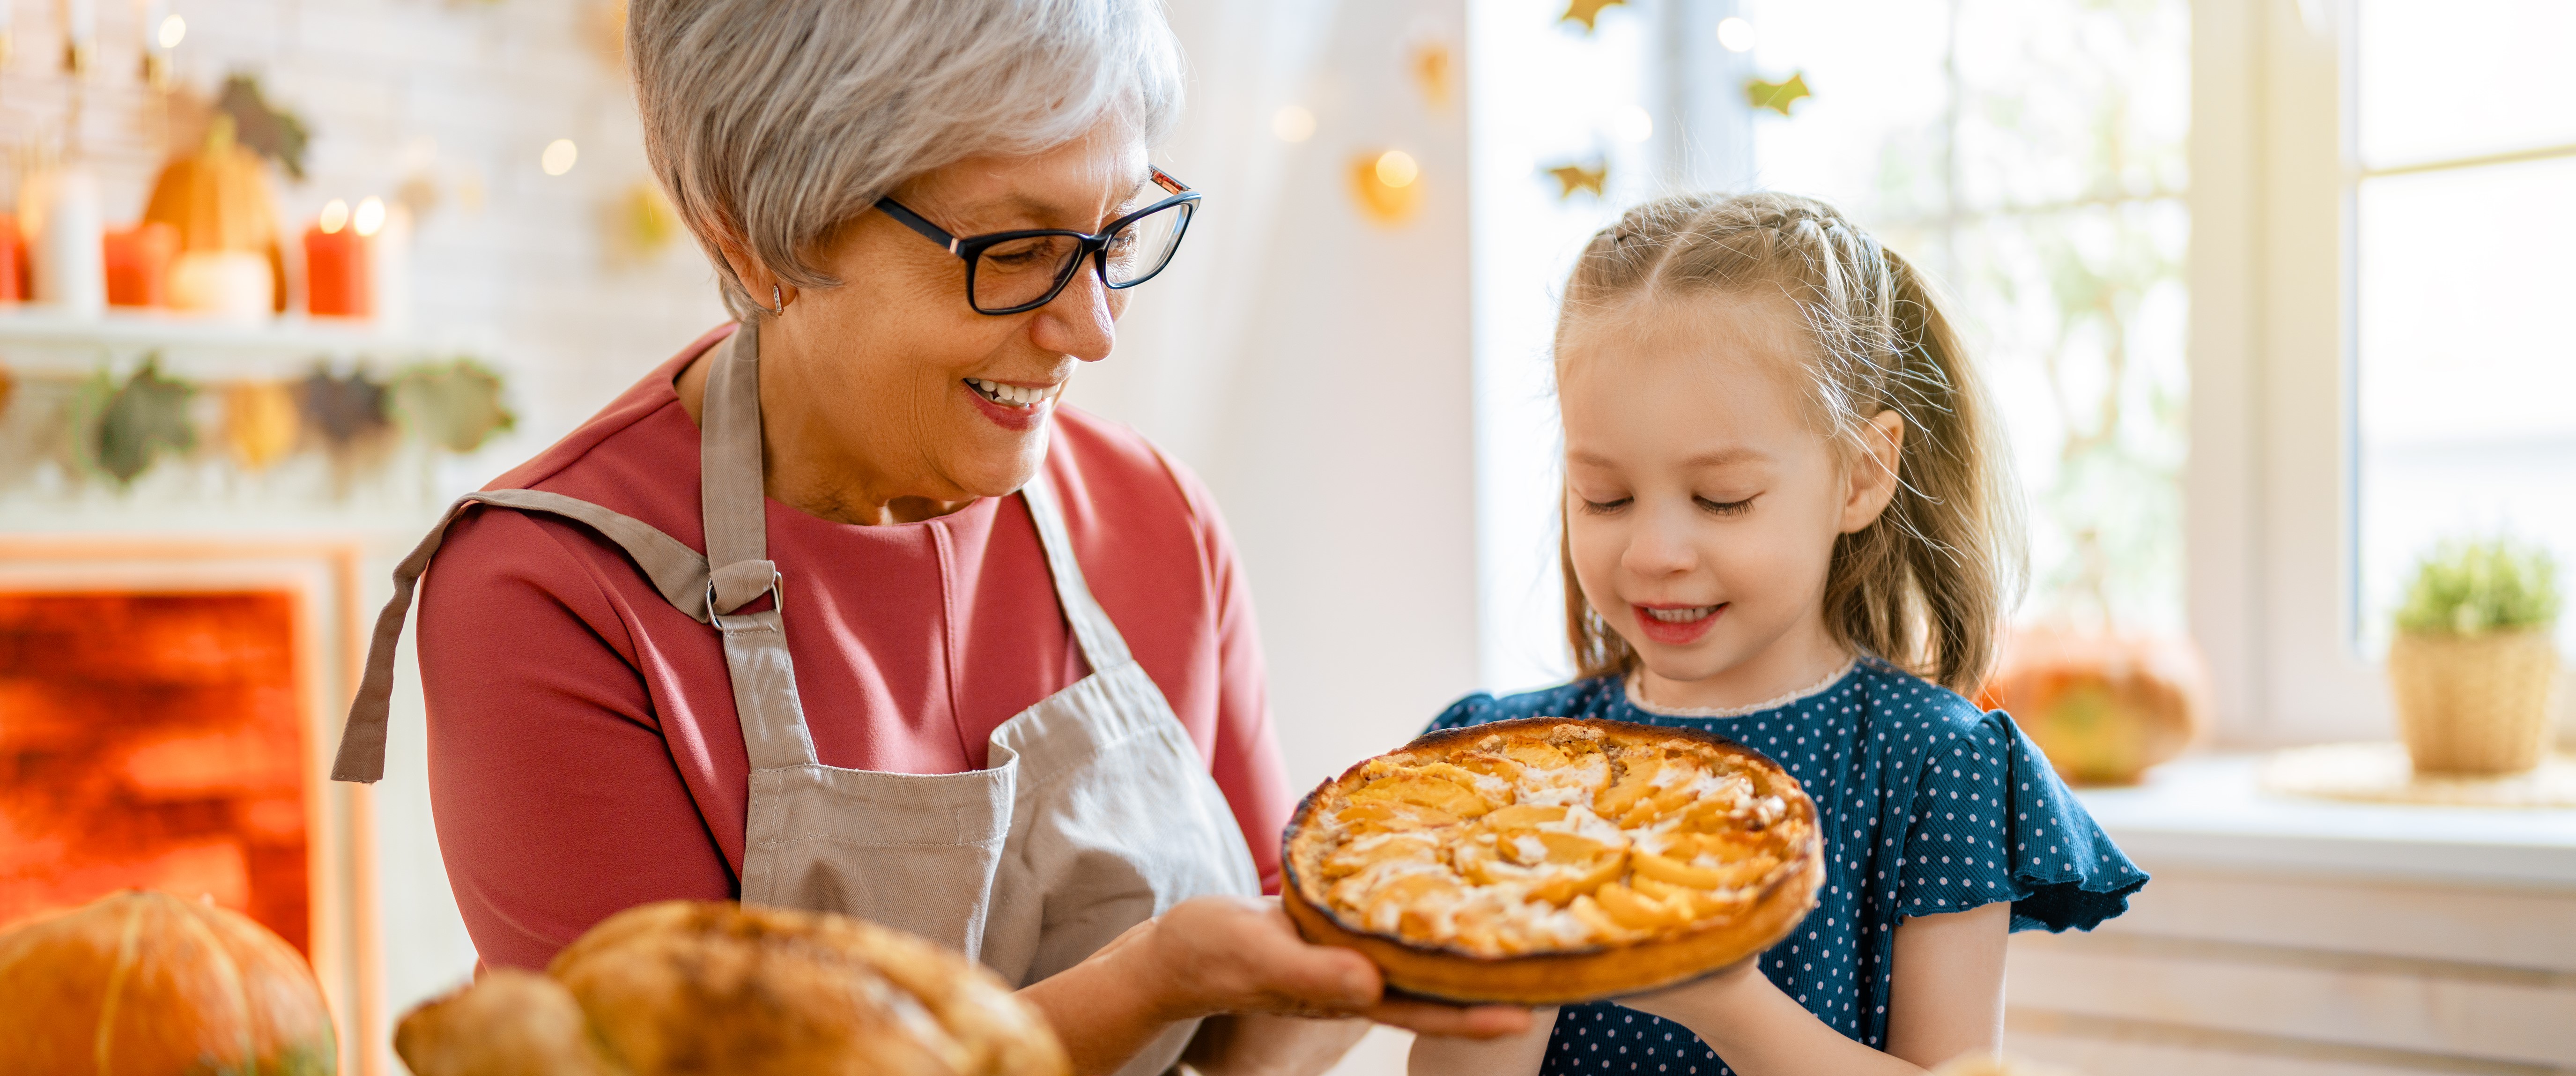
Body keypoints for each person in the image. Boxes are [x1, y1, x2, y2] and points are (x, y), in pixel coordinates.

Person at [324, 2, 1523, 1073]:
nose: (1093, 329)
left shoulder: (1158, 519)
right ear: (757, 237)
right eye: (1017, 251)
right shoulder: (553, 590)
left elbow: (1251, 1036)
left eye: (1116, 232)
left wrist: (1419, 917)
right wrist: (1150, 981)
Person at [1408, 193, 2147, 1076]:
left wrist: (1724, 1001)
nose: (1654, 553)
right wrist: (1512, 967)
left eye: (1722, 499)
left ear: (1862, 476)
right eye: (1604, 496)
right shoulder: (1507, 763)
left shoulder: (1935, 765)